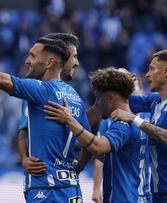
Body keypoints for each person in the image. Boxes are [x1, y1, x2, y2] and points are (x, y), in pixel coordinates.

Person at [0, 16, 90, 202]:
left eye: (32, 55)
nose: (27, 61)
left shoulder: (40, 90)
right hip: (71, 190)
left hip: (46, 190)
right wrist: (24, 157)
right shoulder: (74, 96)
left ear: (50, 62)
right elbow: (89, 143)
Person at [44, 67, 151, 202]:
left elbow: (98, 147)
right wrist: (79, 167)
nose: (97, 105)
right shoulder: (137, 122)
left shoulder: (122, 125)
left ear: (111, 98)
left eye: (99, 99)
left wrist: (69, 120)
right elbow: (101, 152)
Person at [111, 50, 167, 203]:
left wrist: (134, 119)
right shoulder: (154, 100)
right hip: (157, 193)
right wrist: (122, 83)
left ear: (166, 71)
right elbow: (120, 101)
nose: (147, 74)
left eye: (152, 69)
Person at [17, 33, 80, 177]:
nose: (76, 62)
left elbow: (85, 130)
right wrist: (24, 158)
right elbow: (24, 130)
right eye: (74, 56)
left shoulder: (74, 95)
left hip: (61, 183)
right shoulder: (35, 91)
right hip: (46, 181)